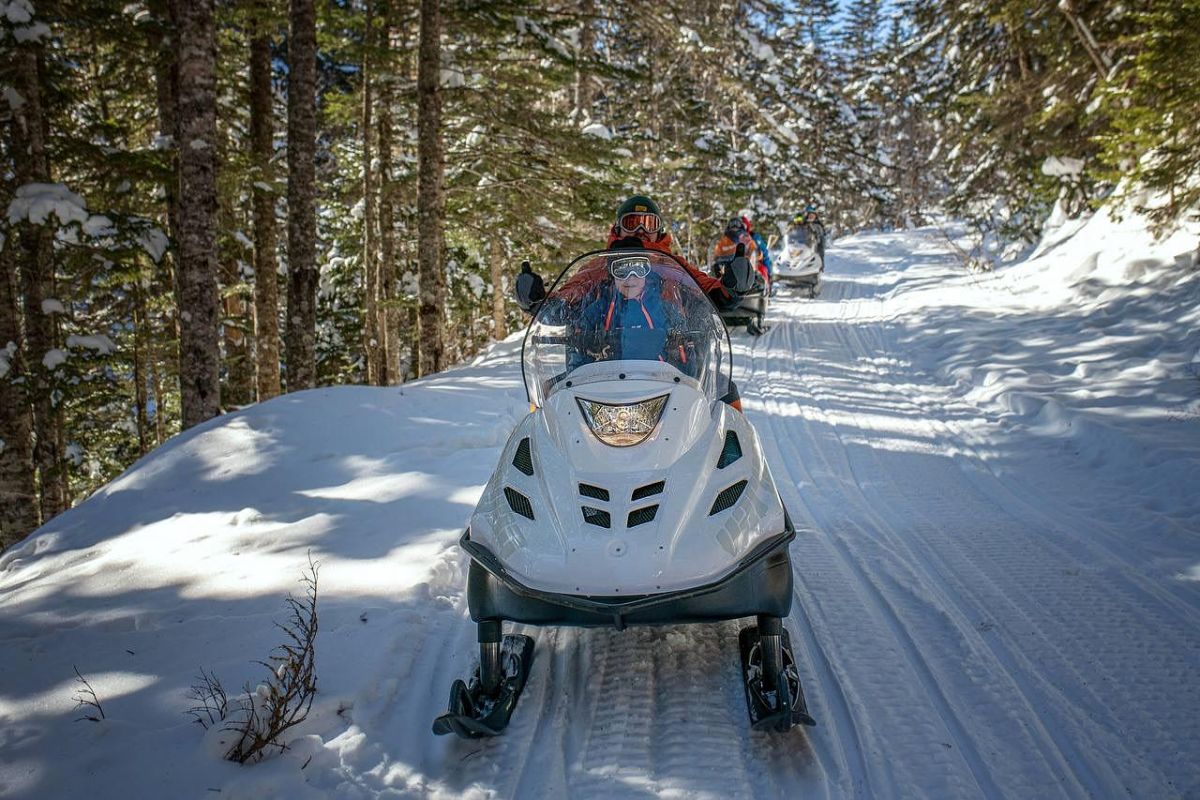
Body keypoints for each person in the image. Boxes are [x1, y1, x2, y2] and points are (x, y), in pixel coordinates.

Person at [710, 217, 768, 291]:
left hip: (744, 267)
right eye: (732, 225)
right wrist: (718, 260)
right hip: (727, 268)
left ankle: (760, 289)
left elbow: (755, 253)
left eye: (737, 225)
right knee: (714, 273)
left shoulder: (747, 239)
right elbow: (716, 255)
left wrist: (757, 254)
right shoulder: (723, 241)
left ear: (741, 227)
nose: (735, 228)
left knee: (759, 275)